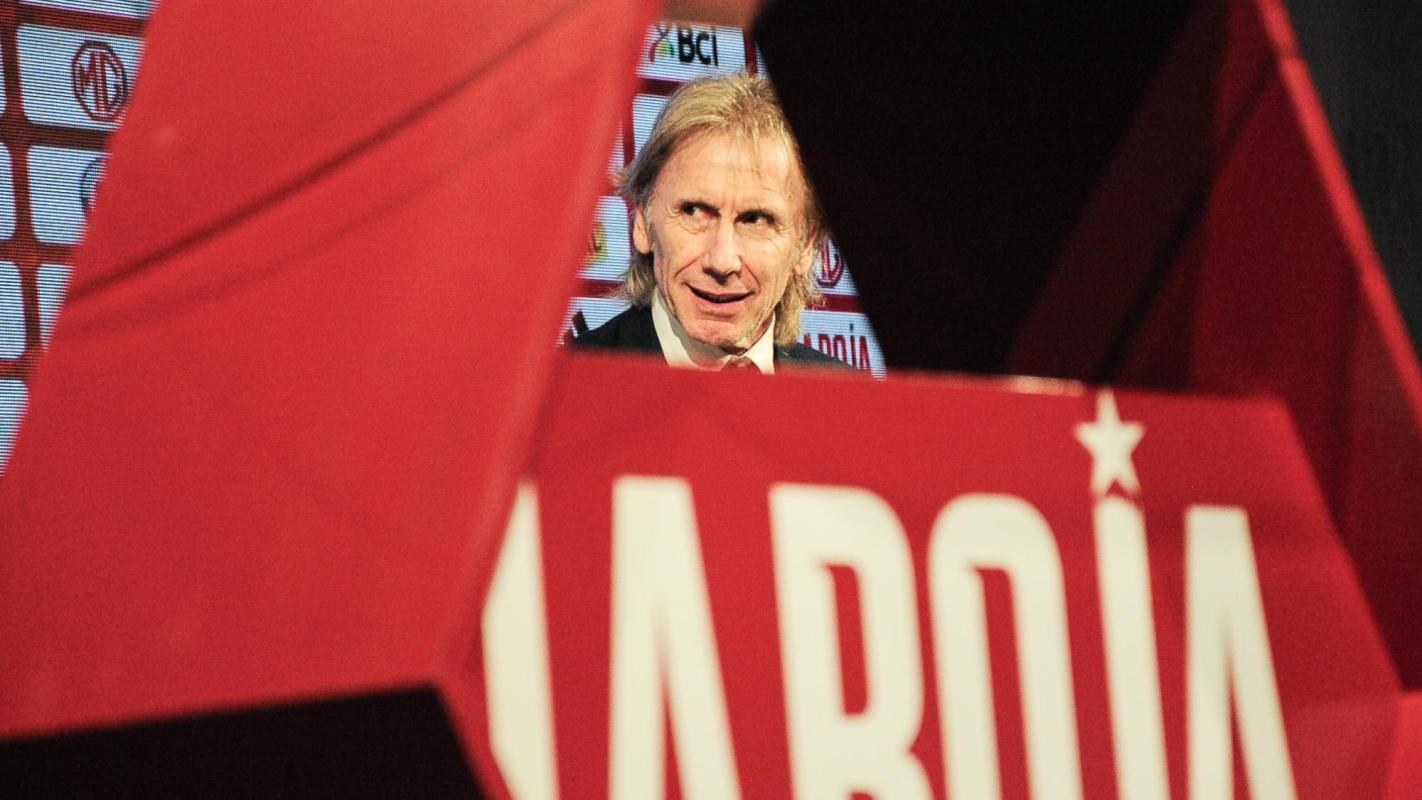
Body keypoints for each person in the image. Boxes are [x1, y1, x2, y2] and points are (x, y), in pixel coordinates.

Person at [573, 74, 849, 373]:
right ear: (642, 221)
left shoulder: (850, 395)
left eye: (755, 219)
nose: (722, 261)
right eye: (694, 211)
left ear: (806, 245)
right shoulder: (559, 389)